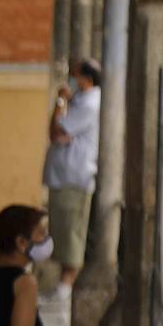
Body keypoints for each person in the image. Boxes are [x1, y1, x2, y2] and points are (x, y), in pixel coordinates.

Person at [43, 58, 102, 303]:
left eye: (74, 74)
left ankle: (66, 284)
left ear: (86, 78)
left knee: (71, 231)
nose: (71, 79)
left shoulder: (89, 104)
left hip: (75, 176)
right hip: (65, 175)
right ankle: (63, 283)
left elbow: (56, 132)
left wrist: (60, 101)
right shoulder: (81, 100)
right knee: (63, 228)